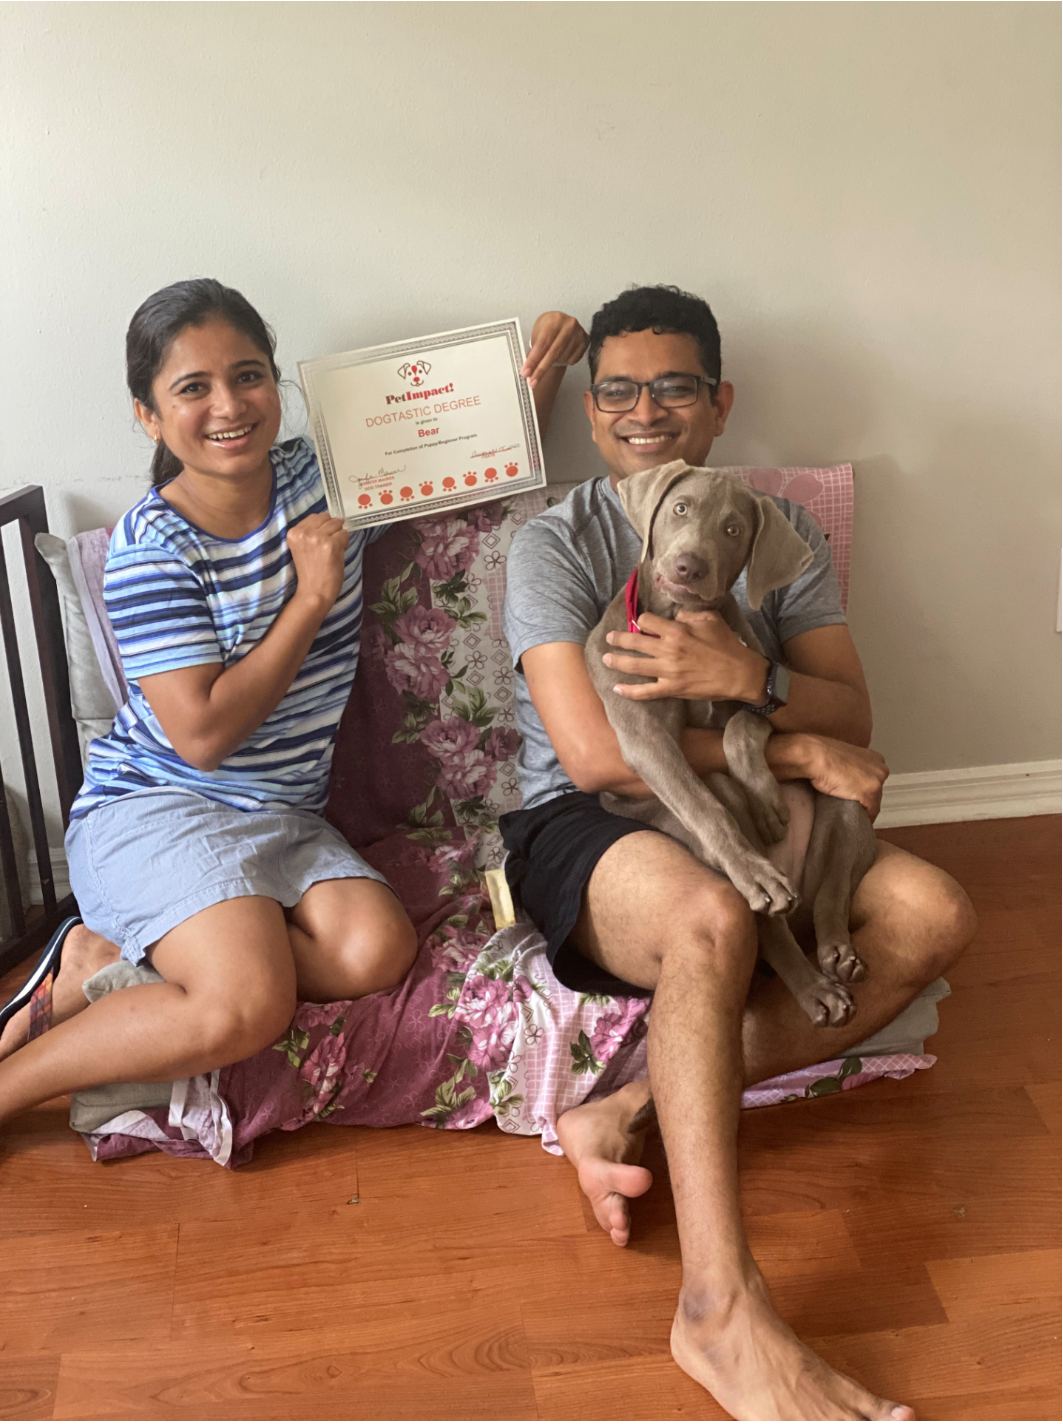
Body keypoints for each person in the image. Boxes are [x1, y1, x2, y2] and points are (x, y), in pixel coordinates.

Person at [499, 284, 977, 1420]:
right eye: (617, 388)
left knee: (935, 914)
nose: (643, 407)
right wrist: (793, 747)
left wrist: (750, 683)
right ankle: (719, 1306)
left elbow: (850, 711)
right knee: (710, 913)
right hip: (588, 820)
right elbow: (593, 755)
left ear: (718, 405)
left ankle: (621, 1109)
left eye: (673, 386)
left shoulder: (775, 529)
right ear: (593, 409)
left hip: (754, 783)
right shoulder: (555, 543)